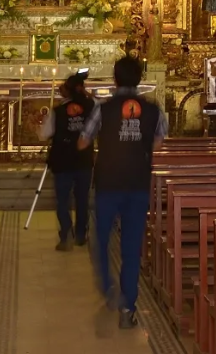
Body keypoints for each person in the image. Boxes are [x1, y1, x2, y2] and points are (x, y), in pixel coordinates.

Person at [78, 54, 167, 329]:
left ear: (115, 79)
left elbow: (83, 142)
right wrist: (138, 151)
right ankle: (129, 306)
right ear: (140, 79)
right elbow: (159, 141)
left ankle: (108, 288)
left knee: (101, 241)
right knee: (131, 248)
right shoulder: (154, 109)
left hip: (108, 183)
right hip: (138, 185)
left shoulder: (102, 108)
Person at [37, 70, 94, 252]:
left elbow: (44, 134)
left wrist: (37, 126)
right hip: (83, 160)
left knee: (63, 199)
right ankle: (80, 235)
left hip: (62, 160)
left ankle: (65, 236)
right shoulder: (91, 108)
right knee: (82, 198)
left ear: (66, 91)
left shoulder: (58, 111)